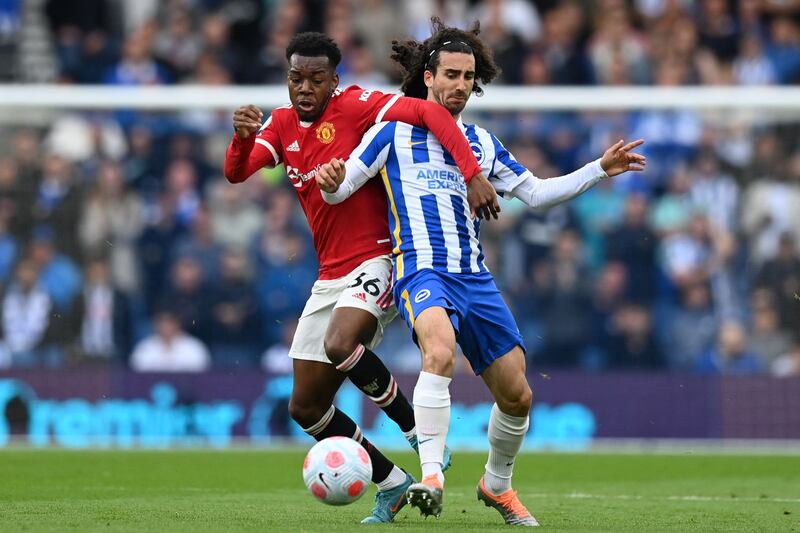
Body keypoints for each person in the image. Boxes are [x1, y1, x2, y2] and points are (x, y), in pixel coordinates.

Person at [315, 17, 645, 525]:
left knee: (518, 395)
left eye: (468, 77)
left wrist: (598, 169)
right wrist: (330, 179)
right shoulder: (391, 135)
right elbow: (340, 190)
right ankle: (431, 476)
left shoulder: (482, 144)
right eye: (450, 74)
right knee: (439, 353)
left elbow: (535, 193)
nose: (460, 86)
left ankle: (496, 485)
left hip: (474, 278)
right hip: (420, 269)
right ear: (428, 77)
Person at [223, 32, 499, 523]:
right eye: (295, 78)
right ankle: (392, 482)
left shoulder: (359, 106)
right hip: (329, 273)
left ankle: (417, 431)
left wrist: (473, 171)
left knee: (339, 342)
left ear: (335, 80)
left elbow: (429, 112)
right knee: (305, 408)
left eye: (315, 79)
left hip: (379, 259)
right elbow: (238, 173)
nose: (304, 88)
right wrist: (242, 138)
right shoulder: (282, 124)